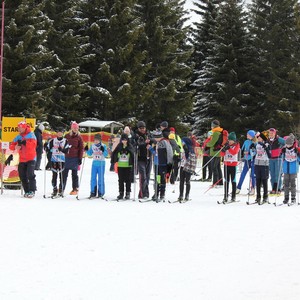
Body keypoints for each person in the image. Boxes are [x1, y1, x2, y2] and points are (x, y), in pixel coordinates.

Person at [9, 121, 37, 198]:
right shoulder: (18, 136)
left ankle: (32, 190)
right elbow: (11, 145)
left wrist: (25, 143)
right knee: (22, 175)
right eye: (18, 128)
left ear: (24, 127)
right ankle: (27, 191)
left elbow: (33, 145)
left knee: (30, 174)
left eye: (20, 128)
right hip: (22, 159)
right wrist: (15, 147)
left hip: (31, 158)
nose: (19, 129)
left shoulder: (31, 135)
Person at [147, 129, 173, 201]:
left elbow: (169, 152)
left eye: (156, 137)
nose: (155, 139)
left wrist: (169, 162)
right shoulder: (157, 143)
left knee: (162, 179)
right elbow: (156, 153)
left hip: (162, 164)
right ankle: (156, 193)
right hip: (156, 163)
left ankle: (162, 194)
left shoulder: (164, 142)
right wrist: (151, 149)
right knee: (157, 179)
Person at [62, 121, 84, 196]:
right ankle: (61, 188)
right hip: (67, 157)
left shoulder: (79, 137)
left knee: (74, 174)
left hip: (75, 157)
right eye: (74, 128)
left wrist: (80, 158)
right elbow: (63, 144)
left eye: (76, 128)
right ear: (71, 128)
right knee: (64, 173)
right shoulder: (67, 136)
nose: (75, 129)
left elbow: (81, 148)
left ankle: (75, 188)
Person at [111, 133, 135, 200]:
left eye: (125, 140)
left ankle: (128, 193)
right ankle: (121, 193)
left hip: (128, 166)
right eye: (123, 140)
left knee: (128, 180)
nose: (124, 141)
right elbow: (115, 153)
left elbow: (132, 154)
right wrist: (120, 153)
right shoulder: (119, 146)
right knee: (120, 180)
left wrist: (128, 153)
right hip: (121, 165)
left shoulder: (130, 146)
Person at [133, 121, 153, 199]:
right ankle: (143, 193)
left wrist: (151, 142)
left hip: (149, 157)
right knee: (143, 176)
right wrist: (144, 143)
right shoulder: (136, 136)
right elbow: (136, 145)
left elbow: (153, 140)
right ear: (138, 129)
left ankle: (144, 193)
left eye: (143, 128)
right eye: (141, 128)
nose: (142, 129)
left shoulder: (148, 134)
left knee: (147, 177)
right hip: (141, 158)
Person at [47, 127, 69, 197]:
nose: (59, 133)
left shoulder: (66, 141)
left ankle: (61, 190)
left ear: (63, 133)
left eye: (61, 132)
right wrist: (46, 147)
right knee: (54, 176)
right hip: (54, 160)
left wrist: (61, 150)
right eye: (58, 132)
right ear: (56, 133)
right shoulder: (53, 140)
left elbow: (67, 151)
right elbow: (48, 148)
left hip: (62, 160)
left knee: (61, 176)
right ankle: (54, 189)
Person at [85, 133, 108, 199]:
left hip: (101, 163)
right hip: (94, 163)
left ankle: (101, 192)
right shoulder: (92, 146)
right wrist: (86, 149)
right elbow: (89, 153)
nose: (96, 141)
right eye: (95, 139)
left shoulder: (103, 145)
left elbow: (106, 155)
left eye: (97, 140)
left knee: (101, 178)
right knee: (93, 178)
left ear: (100, 140)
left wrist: (103, 150)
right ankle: (93, 192)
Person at [251, 132, 271, 204]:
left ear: (262, 138)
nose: (258, 138)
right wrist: (252, 149)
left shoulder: (267, 144)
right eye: (258, 137)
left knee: (264, 180)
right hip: (257, 164)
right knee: (258, 180)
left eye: (259, 137)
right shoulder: (257, 144)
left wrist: (266, 148)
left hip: (264, 164)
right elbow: (255, 153)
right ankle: (258, 196)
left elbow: (269, 155)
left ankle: (265, 197)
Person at [220, 132, 240, 202]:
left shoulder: (237, 145)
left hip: (233, 165)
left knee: (233, 180)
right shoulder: (226, 145)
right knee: (226, 180)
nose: (230, 141)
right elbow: (222, 154)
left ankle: (233, 196)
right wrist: (223, 150)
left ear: (234, 140)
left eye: (231, 140)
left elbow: (234, 152)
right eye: (229, 140)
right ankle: (225, 196)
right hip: (226, 165)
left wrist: (229, 148)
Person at [236, 130, 256, 195]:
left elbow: (255, 152)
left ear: (252, 136)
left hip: (253, 160)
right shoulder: (246, 141)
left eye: (248, 134)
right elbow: (242, 149)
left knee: (252, 175)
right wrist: (244, 154)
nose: (247, 135)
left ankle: (253, 188)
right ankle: (238, 188)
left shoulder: (255, 142)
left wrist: (249, 152)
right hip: (247, 160)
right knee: (243, 174)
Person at [178, 136, 197, 202]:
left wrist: (187, 152)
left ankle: (187, 195)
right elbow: (181, 157)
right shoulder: (182, 148)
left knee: (187, 181)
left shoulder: (191, 150)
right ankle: (181, 195)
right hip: (182, 166)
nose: (182, 143)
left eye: (183, 142)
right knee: (181, 181)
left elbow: (193, 160)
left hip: (188, 167)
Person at [281, 135, 299, 204]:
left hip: (293, 169)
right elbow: (281, 157)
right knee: (286, 184)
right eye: (287, 144)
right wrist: (281, 152)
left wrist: (298, 153)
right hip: (286, 169)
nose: (288, 145)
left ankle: (293, 197)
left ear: (292, 144)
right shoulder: (284, 149)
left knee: (293, 184)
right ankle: (286, 197)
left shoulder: (295, 149)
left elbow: (298, 159)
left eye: (289, 144)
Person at [267, 128, 285, 194]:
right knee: (272, 174)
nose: (271, 134)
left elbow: (285, 143)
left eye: (272, 133)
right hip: (271, 158)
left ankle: (278, 188)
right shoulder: (268, 140)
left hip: (278, 158)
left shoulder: (278, 139)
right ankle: (273, 188)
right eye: (270, 133)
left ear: (275, 133)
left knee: (278, 174)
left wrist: (281, 147)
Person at [206, 120, 223, 186]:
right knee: (218, 167)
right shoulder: (218, 132)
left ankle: (215, 182)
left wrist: (207, 144)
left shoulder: (216, 133)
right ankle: (220, 182)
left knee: (214, 167)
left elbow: (213, 142)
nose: (211, 127)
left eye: (212, 125)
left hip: (215, 152)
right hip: (217, 152)